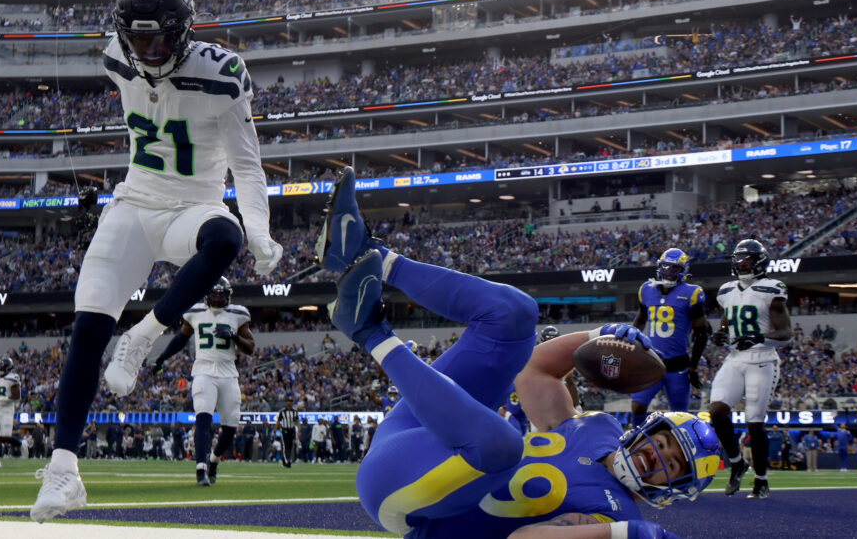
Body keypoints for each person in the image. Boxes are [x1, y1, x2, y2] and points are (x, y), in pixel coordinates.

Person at [320, 167, 719, 537]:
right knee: (514, 315)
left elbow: (526, 537)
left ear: (674, 489)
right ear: (649, 429)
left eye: (672, 465)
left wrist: (622, 534)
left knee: (504, 444)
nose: (658, 456)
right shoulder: (599, 432)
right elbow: (535, 372)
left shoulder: (615, 516)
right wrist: (598, 333)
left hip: (407, 498)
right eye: (665, 444)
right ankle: (369, 254)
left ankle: (370, 330)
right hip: (416, 432)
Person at [30, 0, 282, 523]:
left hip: (192, 205)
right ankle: (64, 471)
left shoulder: (221, 73)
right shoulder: (115, 59)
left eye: (160, 37)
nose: (149, 48)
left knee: (226, 236)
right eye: (139, 38)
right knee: (88, 325)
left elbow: (247, 164)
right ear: (123, 35)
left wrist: (261, 230)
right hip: (134, 204)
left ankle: (144, 336)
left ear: (185, 32)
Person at [150, 277, 254, 484]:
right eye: (213, 294)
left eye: (221, 295)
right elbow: (181, 339)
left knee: (231, 427)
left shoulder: (238, 314)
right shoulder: (195, 312)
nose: (217, 298)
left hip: (228, 374)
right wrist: (162, 357)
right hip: (203, 371)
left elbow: (250, 347)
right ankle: (200, 469)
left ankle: (214, 460)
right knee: (203, 418)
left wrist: (233, 336)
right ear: (207, 295)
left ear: (228, 296)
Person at [709, 239, 791, 499]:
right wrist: (720, 335)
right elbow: (725, 324)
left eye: (748, 260)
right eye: (739, 260)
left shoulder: (772, 289)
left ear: (759, 262)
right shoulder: (725, 291)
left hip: (763, 359)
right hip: (735, 358)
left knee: (754, 422)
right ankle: (737, 463)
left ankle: (761, 479)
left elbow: (786, 334)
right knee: (717, 411)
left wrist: (760, 338)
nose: (743, 264)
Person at [630, 248, 710, 427]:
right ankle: (635, 441)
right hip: (651, 361)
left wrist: (693, 366)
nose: (669, 272)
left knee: (679, 417)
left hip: (677, 365)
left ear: (683, 272)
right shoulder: (646, 289)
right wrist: (630, 344)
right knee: (637, 407)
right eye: (666, 267)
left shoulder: (692, 293)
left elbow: (701, 334)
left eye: (675, 269)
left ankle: (679, 451)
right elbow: (640, 321)